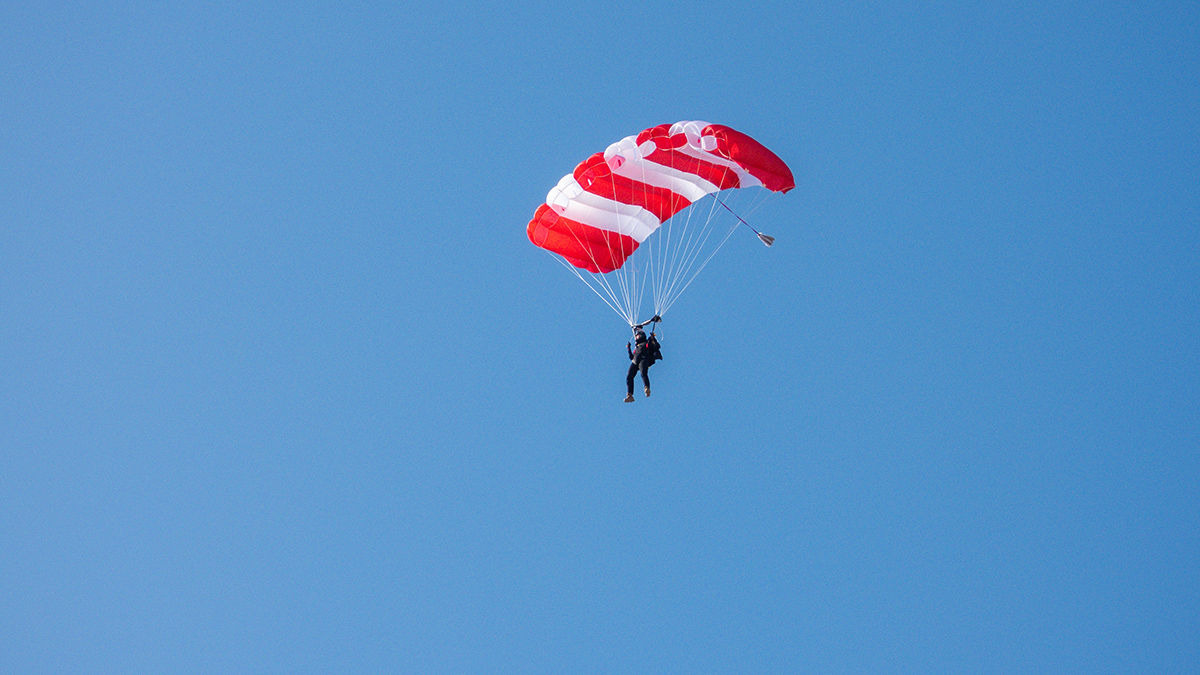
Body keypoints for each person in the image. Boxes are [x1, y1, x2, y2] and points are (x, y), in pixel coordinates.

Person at [624, 316, 663, 402]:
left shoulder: (647, 343)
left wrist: (652, 338)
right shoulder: (636, 347)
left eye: (637, 335)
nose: (636, 337)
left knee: (643, 373)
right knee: (629, 377)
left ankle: (647, 388)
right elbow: (631, 357)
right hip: (635, 361)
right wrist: (629, 349)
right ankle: (630, 395)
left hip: (643, 360)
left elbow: (656, 346)